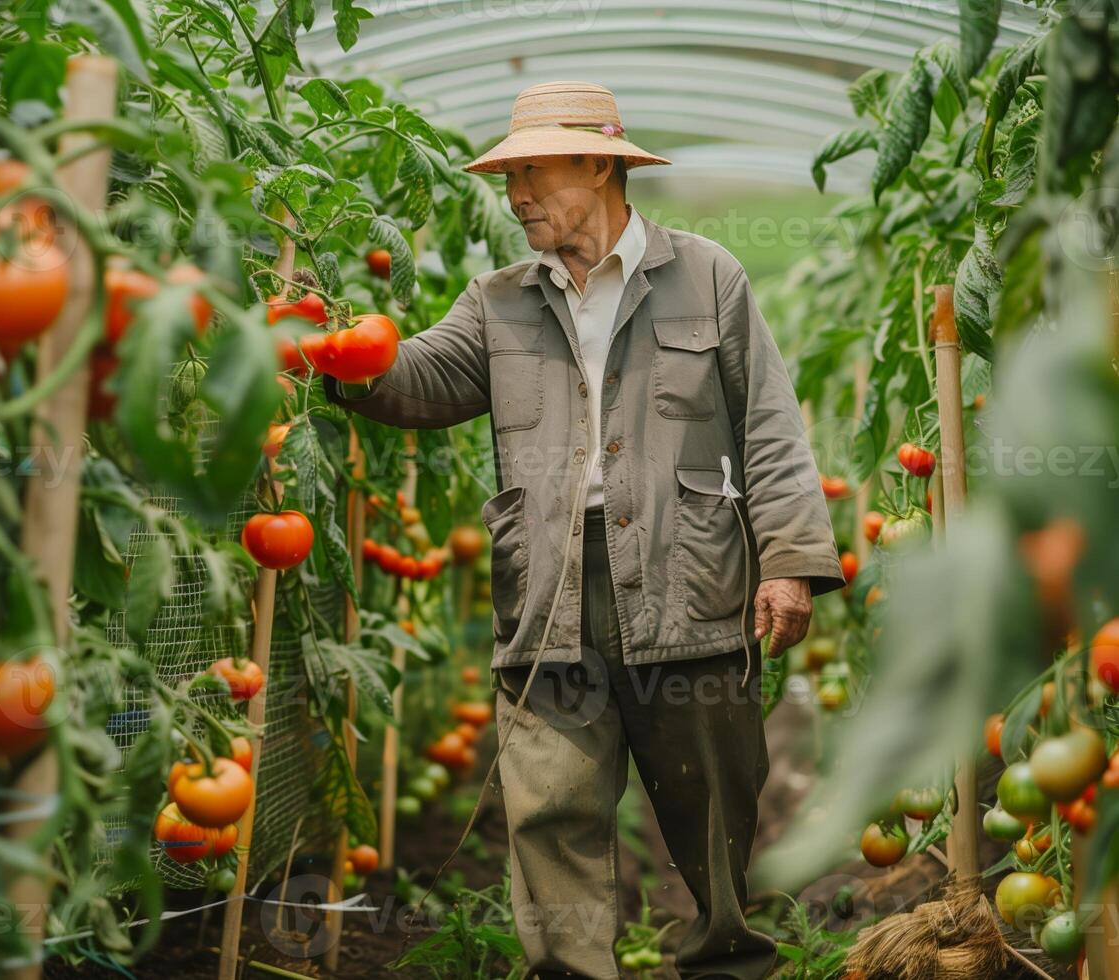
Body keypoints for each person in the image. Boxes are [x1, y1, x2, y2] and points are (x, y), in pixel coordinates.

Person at [324, 81, 842, 979]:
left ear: (597, 165)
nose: (515, 193)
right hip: (551, 592)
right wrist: (334, 348)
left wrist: (789, 561)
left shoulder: (707, 276)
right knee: (549, 812)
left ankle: (726, 961)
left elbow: (767, 423)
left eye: (532, 171)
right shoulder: (497, 301)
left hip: (690, 582)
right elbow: (415, 381)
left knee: (712, 807)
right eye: (509, 175)